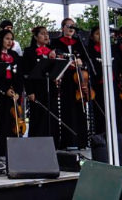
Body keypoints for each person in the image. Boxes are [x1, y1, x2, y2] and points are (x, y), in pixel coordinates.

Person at [49, 18, 89, 149]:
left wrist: (81, 62)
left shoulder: (79, 43)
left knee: (80, 110)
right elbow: (54, 58)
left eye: (73, 26)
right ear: (62, 28)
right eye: (68, 26)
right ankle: (68, 141)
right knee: (67, 109)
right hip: (65, 79)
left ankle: (82, 141)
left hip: (78, 79)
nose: (71, 28)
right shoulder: (55, 42)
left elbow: (86, 58)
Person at [0, 29, 24, 156]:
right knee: (1, 121)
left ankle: (14, 149)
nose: (10, 42)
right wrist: (4, 90)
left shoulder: (14, 55)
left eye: (11, 39)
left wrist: (18, 92)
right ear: (1, 39)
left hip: (13, 93)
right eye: (7, 39)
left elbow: (20, 76)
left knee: (13, 120)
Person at [23, 26, 57, 138]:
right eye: (42, 34)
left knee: (51, 115)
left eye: (47, 34)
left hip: (50, 87)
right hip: (36, 88)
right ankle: (36, 141)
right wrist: (29, 91)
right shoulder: (29, 51)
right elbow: (26, 73)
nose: (46, 36)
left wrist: (54, 60)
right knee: (38, 116)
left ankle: (52, 141)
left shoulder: (51, 51)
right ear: (35, 37)